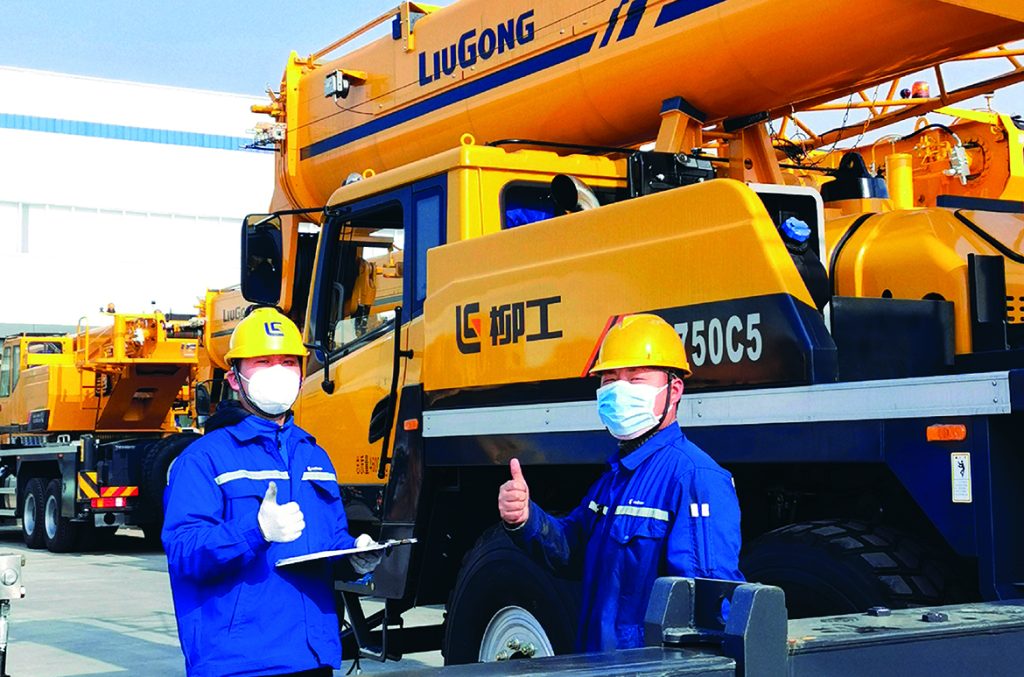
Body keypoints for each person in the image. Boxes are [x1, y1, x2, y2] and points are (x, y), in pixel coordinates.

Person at [498, 313, 743, 652]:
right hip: (598, 663)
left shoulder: (695, 479)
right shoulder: (615, 477)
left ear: (674, 390)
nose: (619, 390)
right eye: (610, 379)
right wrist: (526, 518)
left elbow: (705, 618)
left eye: (636, 378)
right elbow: (570, 552)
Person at [163, 306, 381, 677]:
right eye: (263, 362)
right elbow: (185, 551)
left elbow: (327, 542)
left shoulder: (314, 455)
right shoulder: (203, 459)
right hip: (242, 664)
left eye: (287, 362)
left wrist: (353, 556)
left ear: (302, 374)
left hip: (313, 657)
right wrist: (256, 530)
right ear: (234, 378)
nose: (277, 371)